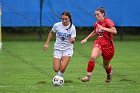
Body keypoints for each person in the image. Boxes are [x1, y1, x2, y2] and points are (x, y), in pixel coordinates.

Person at [81, 7, 117, 83]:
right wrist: (86, 39)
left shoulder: (107, 21)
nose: (96, 16)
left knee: (106, 65)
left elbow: (114, 31)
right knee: (92, 57)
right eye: (95, 15)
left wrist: (103, 28)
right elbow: (95, 32)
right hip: (99, 43)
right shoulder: (96, 23)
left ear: (102, 14)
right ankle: (88, 77)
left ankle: (109, 74)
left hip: (108, 47)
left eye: (98, 14)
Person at [43, 11, 76, 79]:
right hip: (58, 48)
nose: (64, 21)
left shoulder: (72, 27)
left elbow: (73, 40)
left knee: (62, 67)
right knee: (56, 69)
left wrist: (72, 40)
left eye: (66, 19)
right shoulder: (57, 25)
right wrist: (47, 43)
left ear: (69, 18)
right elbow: (51, 33)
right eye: (62, 19)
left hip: (67, 49)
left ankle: (59, 78)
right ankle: (59, 76)